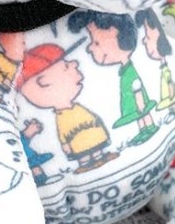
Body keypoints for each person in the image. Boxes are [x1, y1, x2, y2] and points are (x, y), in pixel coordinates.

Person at [18, 42, 119, 174]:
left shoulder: (77, 109)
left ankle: (99, 158)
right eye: (66, 66)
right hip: (79, 144)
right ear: (45, 83)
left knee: (95, 150)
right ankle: (85, 164)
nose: (75, 63)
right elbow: (63, 134)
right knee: (83, 154)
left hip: (94, 138)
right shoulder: (62, 117)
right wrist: (65, 145)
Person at [68, 11, 159, 146]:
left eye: (96, 43)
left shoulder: (129, 72)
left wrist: (140, 102)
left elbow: (136, 85)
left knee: (141, 112)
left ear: (115, 33)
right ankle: (143, 129)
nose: (90, 48)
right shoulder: (125, 71)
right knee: (137, 114)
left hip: (138, 100)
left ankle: (149, 127)